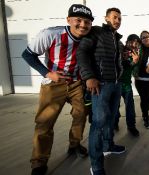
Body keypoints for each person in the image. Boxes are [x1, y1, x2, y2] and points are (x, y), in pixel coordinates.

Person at [21, 4, 93, 175]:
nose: (83, 25)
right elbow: (27, 54)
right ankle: (39, 162)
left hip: (77, 83)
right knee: (45, 123)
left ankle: (75, 144)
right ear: (68, 20)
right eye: (78, 20)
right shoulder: (51, 34)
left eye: (87, 22)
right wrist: (48, 73)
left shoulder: (89, 37)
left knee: (81, 114)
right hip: (54, 85)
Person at [76, 7, 125, 175]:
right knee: (98, 124)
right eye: (114, 17)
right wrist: (88, 76)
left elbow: (116, 61)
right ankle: (96, 165)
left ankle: (108, 145)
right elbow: (81, 52)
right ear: (106, 18)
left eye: (119, 18)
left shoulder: (117, 40)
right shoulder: (96, 32)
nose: (117, 20)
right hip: (100, 86)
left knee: (111, 119)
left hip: (116, 85)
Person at [114, 34, 141, 136]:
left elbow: (134, 71)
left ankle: (131, 127)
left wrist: (136, 62)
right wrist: (134, 62)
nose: (134, 44)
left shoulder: (136, 53)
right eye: (132, 41)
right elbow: (123, 66)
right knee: (114, 107)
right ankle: (114, 123)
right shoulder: (120, 49)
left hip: (127, 85)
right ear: (127, 41)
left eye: (137, 43)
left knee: (130, 107)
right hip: (116, 84)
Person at [133, 31, 149, 129]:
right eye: (143, 38)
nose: (145, 38)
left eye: (147, 36)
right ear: (141, 40)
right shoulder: (138, 49)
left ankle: (146, 114)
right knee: (144, 99)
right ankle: (145, 116)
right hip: (140, 79)